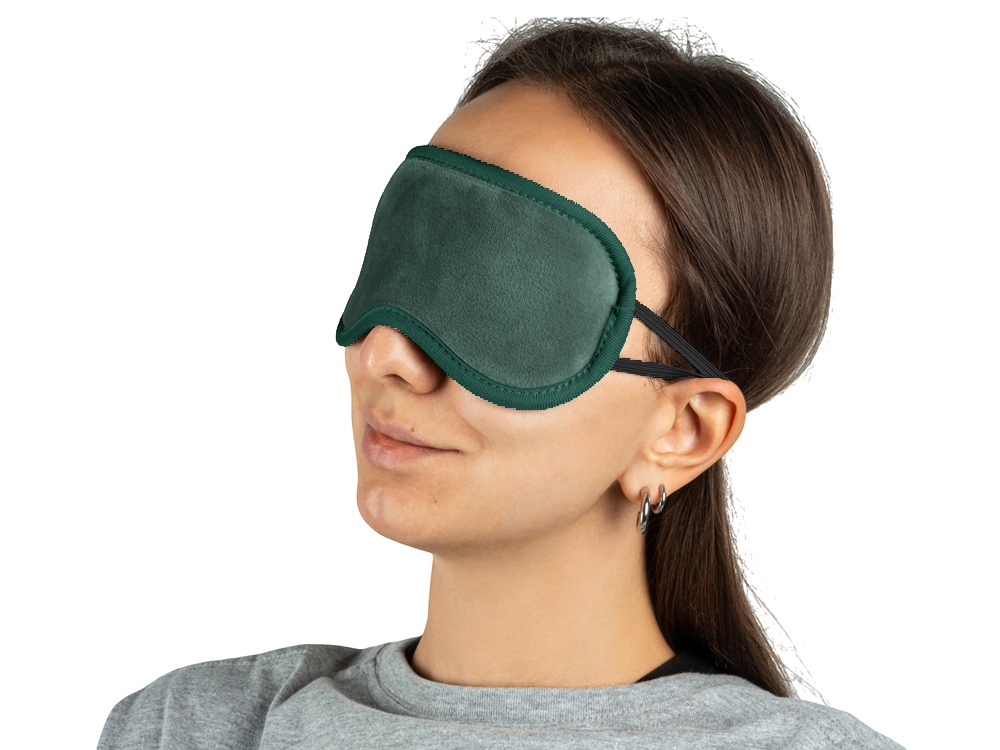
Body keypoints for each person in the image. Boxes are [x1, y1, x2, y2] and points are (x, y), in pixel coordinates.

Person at [98, 18, 904, 749]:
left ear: (683, 429)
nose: (388, 355)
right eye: (407, 262)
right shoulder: (193, 729)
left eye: (506, 297)